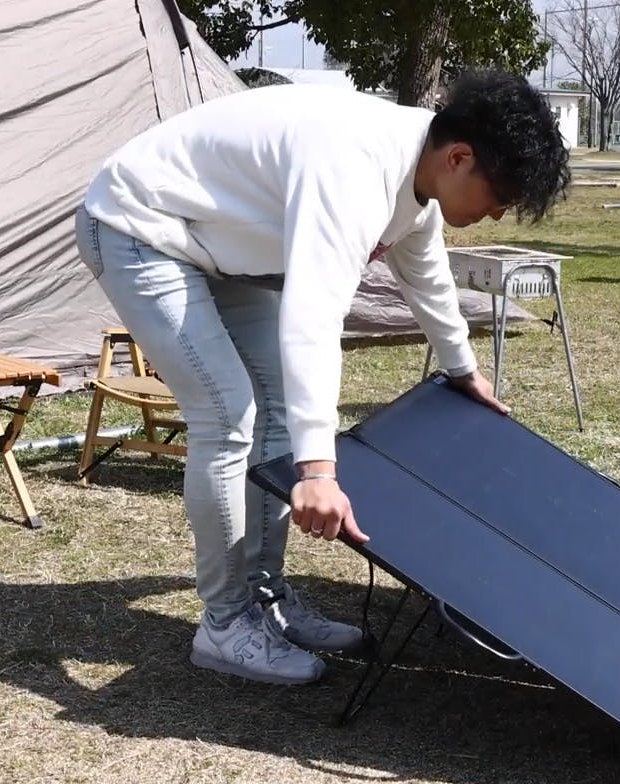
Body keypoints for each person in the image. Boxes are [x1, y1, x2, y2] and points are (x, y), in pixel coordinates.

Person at [74, 69, 570, 687]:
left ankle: (263, 595)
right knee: (228, 415)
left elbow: (426, 275)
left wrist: (462, 368)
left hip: (215, 245)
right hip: (138, 225)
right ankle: (224, 624)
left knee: (277, 408)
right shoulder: (354, 168)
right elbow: (311, 319)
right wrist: (317, 473)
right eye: (500, 197)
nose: (496, 214)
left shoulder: (417, 175)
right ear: (459, 158)